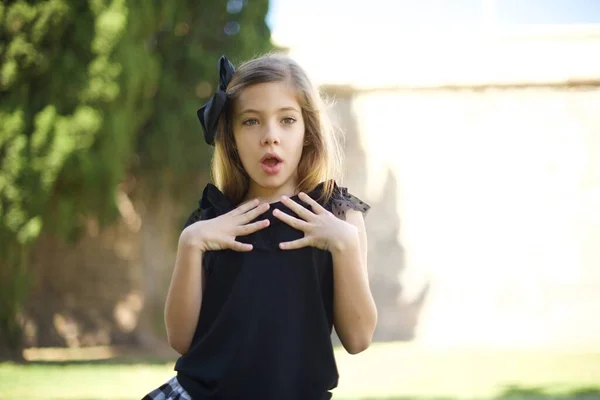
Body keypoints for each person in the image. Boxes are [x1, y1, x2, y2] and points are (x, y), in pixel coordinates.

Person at [142, 53, 377, 400]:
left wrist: (345, 244)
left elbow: (358, 340)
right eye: (251, 122)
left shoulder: (339, 219)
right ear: (232, 137)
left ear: (307, 132)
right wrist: (190, 243)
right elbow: (181, 340)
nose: (270, 136)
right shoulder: (211, 222)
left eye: (287, 120)